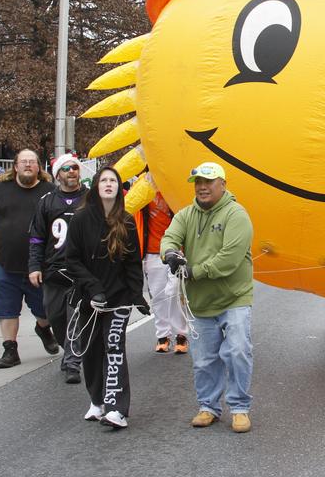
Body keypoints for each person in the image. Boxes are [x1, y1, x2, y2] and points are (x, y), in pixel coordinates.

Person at [161, 161, 255, 434]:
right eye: (198, 182)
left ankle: (239, 408)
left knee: (237, 351)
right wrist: (170, 254)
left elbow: (229, 259)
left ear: (222, 184)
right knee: (204, 359)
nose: (202, 187)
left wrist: (193, 271)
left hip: (234, 298)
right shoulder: (186, 214)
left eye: (208, 182)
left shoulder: (236, 214)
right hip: (200, 302)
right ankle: (208, 407)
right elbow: (169, 237)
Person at [66, 166, 148, 429]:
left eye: (113, 180)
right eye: (104, 180)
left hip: (119, 299)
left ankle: (117, 409)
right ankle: (97, 401)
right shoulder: (79, 220)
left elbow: (133, 263)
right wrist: (92, 288)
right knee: (91, 351)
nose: (109, 184)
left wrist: (138, 296)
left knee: (114, 349)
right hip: (89, 299)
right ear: (96, 186)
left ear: (119, 187)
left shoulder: (126, 221)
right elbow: (72, 260)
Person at [0, 149, 58, 368]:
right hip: (5, 263)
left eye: (32, 162)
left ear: (39, 167)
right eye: (24, 162)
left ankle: (43, 328)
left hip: (40, 266)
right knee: (6, 310)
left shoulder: (49, 191)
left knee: (46, 310)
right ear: (15, 166)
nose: (28, 165)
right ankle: (10, 350)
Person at [28, 153, 87, 384]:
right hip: (54, 269)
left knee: (76, 317)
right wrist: (34, 266)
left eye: (74, 168)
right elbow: (36, 238)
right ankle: (69, 350)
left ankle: (73, 362)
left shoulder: (90, 199)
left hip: (81, 271)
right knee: (55, 316)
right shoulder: (47, 201)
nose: (71, 172)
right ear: (58, 175)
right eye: (66, 169)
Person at [134, 184, 189, 354]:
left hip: (175, 251)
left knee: (174, 292)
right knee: (158, 296)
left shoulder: (174, 186)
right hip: (152, 252)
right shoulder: (142, 191)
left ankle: (181, 334)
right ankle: (163, 335)